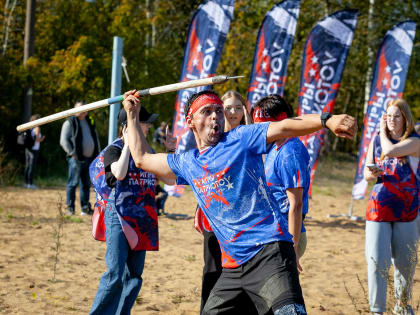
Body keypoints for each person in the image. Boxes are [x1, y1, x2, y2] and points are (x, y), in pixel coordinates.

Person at [122, 89, 357, 314]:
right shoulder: (187, 162)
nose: (215, 116)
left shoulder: (241, 138)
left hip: (270, 254)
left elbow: (285, 126)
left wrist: (327, 119)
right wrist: (132, 116)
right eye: (206, 111)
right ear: (190, 121)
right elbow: (142, 158)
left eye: (218, 111)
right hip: (233, 269)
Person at [90, 106, 173, 314]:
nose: (148, 127)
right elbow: (118, 174)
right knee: (115, 273)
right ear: (129, 126)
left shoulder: (148, 153)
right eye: (144, 123)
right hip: (118, 215)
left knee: (135, 276)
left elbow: (169, 179)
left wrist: (171, 152)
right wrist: (128, 145)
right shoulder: (114, 149)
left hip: (143, 217)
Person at [195, 90, 254, 313]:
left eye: (238, 107)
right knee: (212, 268)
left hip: (243, 217)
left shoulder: (249, 135)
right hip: (215, 215)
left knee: (243, 270)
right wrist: (198, 209)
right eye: (227, 107)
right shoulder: (213, 135)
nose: (232, 112)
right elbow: (203, 175)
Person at [363, 98, 420, 315]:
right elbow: (366, 174)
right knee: (377, 262)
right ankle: (377, 310)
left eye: (397, 116)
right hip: (378, 208)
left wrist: (381, 131)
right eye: (388, 117)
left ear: (406, 119)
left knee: (405, 265)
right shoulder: (376, 140)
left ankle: (402, 307)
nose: (391, 120)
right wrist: (371, 172)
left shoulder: (414, 141)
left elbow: (391, 151)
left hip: (408, 210)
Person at [252, 94, 310, 273]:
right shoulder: (275, 147)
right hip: (274, 234)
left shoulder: (290, 152)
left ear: (281, 121)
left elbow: (296, 204)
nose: (260, 132)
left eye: (262, 126)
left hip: (287, 237)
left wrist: (292, 247)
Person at [60, 100, 100, 216]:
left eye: (84, 108)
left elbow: (95, 139)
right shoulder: (70, 122)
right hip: (76, 159)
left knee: (86, 185)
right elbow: (63, 140)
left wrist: (97, 153)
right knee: (72, 183)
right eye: (79, 108)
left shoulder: (90, 121)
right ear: (74, 109)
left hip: (89, 159)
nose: (82, 111)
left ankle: (85, 208)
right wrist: (72, 153)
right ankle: (70, 208)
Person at [24, 114, 46, 189]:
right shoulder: (37, 128)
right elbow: (37, 139)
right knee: (31, 166)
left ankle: (26, 183)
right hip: (34, 149)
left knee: (27, 166)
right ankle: (30, 184)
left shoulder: (30, 127)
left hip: (28, 148)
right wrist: (42, 138)